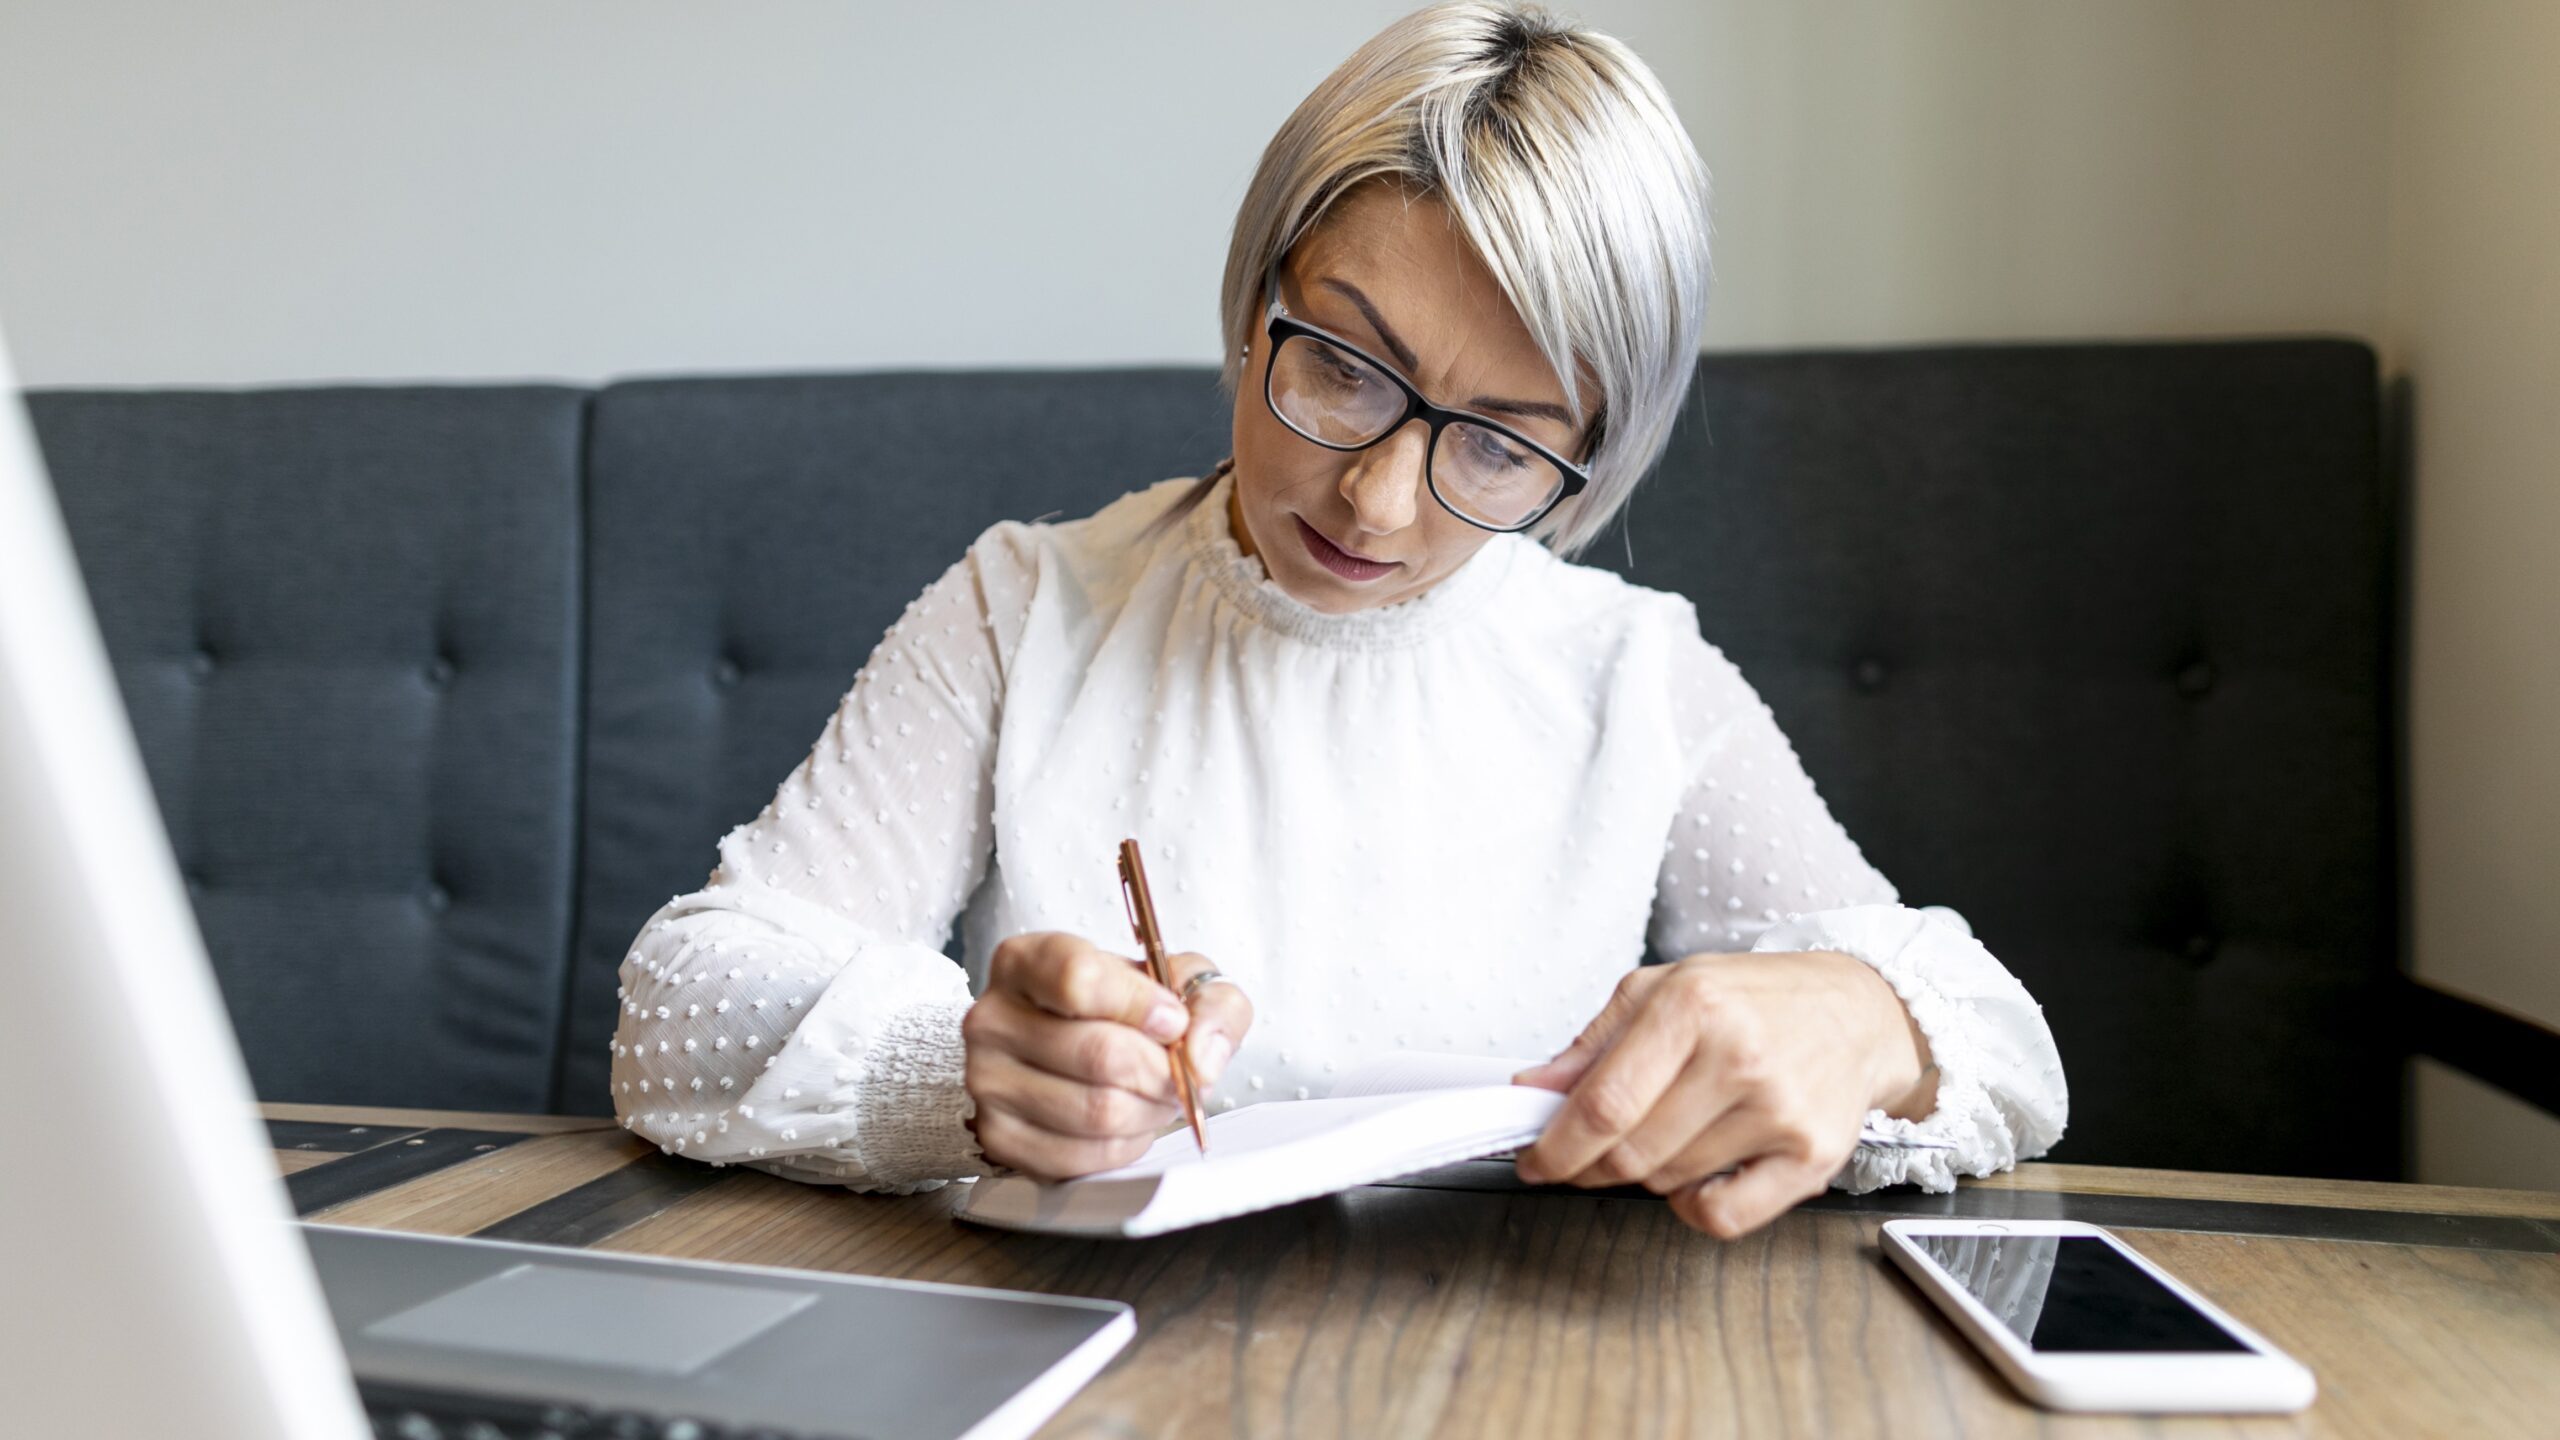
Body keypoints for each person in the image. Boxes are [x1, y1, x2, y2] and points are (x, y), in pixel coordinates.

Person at [608, 0, 2066, 1240]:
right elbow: (682, 1009)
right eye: (1346, 369)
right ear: (1254, 303)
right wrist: (962, 1069)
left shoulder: (1633, 678)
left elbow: (2007, 1050)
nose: (1375, 501)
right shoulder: (1025, 610)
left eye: (1500, 445)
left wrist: (1866, 1026)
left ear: (1591, 459)